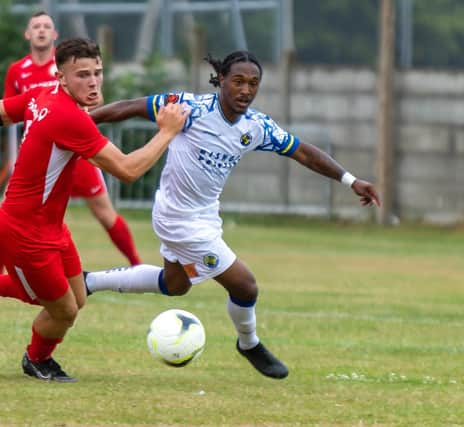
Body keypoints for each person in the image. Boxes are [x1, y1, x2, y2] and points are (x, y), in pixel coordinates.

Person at [0, 38, 188, 382]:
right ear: (61, 77)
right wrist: (167, 132)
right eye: (82, 75)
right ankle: (35, 360)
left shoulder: (43, 96)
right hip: (23, 233)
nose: (93, 82)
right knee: (62, 309)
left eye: (97, 73)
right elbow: (127, 170)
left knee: (77, 296)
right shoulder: (69, 117)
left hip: (51, 229)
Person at [84, 51, 381, 380]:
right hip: (178, 219)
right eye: (238, 81)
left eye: (253, 84)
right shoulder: (190, 109)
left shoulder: (256, 126)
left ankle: (90, 281)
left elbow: (304, 153)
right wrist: (81, 121)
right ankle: (249, 343)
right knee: (246, 286)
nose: (245, 90)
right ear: (221, 80)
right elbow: (130, 107)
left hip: (205, 217)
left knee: (175, 284)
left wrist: (351, 180)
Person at [0, 10, 141, 277]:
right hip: (39, 155)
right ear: (28, 34)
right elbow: (9, 112)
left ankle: (137, 265)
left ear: (54, 34)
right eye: (36, 26)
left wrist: (75, 118)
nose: (41, 30)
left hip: (77, 152)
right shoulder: (17, 71)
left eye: (47, 26)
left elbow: (96, 100)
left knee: (105, 212)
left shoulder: (71, 64)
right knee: (11, 211)